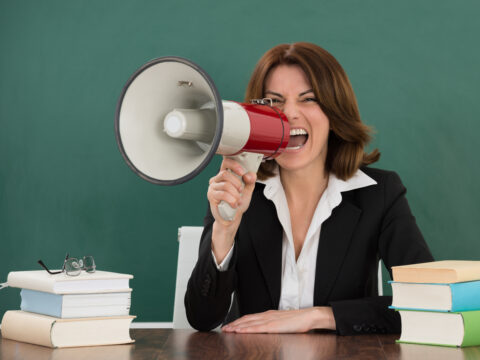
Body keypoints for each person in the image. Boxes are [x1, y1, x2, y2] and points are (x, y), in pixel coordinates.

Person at [185, 42, 434, 335]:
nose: (289, 114)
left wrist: (318, 317)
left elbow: (430, 302)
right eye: (274, 101)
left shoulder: (379, 193)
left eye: (308, 99)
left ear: (334, 113)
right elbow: (201, 318)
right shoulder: (238, 186)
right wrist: (225, 229)